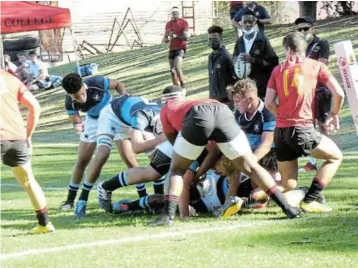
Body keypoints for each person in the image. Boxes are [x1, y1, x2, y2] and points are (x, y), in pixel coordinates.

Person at [149, 85, 300, 226]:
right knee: (251, 167)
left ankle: (167, 216)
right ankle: (287, 208)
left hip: (198, 115)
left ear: (165, 101)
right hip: (222, 110)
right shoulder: (193, 102)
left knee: (177, 170)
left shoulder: (166, 109)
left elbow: (175, 143)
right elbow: (214, 147)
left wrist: (197, 168)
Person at [265, 32, 344, 213]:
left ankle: (248, 198)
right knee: (335, 157)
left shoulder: (277, 70)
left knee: (287, 185)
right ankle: (310, 199)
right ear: (305, 49)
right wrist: (333, 113)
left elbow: (268, 102)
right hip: (302, 129)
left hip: (281, 132)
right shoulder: (316, 65)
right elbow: (339, 93)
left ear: (287, 50)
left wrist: (284, 115)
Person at [58, 73, 135, 216]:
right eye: (76, 97)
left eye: (81, 93)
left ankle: (143, 195)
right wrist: (78, 126)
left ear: (84, 86)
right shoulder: (70, 101)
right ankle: (70, 200)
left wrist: (124, 94)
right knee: (82, 160)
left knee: (128, 159)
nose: (81, 98)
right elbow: (75, 119)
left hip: (113, 115)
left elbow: (117, 84)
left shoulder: (97, 82)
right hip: (93, 122)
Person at [0, 69, 55, 234]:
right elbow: (35, 107)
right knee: (28, 180)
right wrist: (28, 135)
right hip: (17, 137)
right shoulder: (11, 79)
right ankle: (44, 223)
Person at [295, 16, 331, 172]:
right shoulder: (298, 47)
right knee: (309, 125)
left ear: (313, 28)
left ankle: (329, 155)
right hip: (305, 91)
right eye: (299, 29)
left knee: (323, 124)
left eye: (305, 28)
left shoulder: (321, 43)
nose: (303, 32)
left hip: (320, 91)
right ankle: (312, 161)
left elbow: (322, 66)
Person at [233, 10, 278, 99]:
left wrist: (254, 60)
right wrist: (234, 61)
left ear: (255, 22)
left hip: (260, 89)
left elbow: (274, 63)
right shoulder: (239, 42)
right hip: (244, 89)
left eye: (250, 22)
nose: (247, 25)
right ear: (241, 23)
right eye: (245, 22)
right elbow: (234, 59)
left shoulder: (262, 40)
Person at [207, 26, 236, 106]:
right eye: (210, 39)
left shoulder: (226, 56)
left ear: (221, 38)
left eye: (215, 38)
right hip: (213, 99)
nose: (212, 41)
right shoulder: (210, 57)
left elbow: (234, 78)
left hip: (225, 100)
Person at [162, 6, 189, 88]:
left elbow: (185, 37)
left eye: (176, 13)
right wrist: (166, 39)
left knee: (177, 67)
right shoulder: (168, 24)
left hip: (181, 47)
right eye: (173, 13)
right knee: (172, 70)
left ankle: (183, 86)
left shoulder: (183, 23)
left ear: (178, 14)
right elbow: (166, 38)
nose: (174, 15)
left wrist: (174, 35)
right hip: (172, 48)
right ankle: (176, 88)